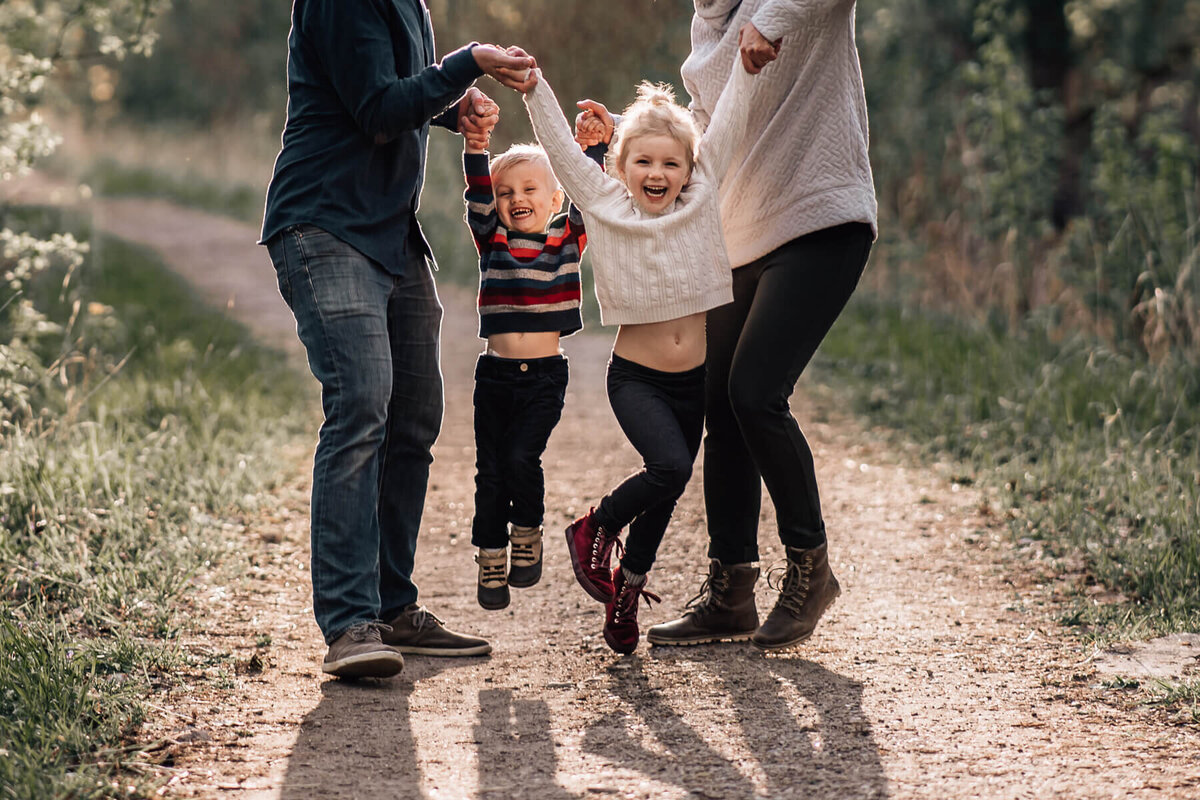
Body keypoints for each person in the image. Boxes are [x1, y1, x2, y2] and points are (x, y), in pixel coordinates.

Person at [259, 0, 536, 679]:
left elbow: (390, 86)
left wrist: (452, 105)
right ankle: (350, 622)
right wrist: (464, 63)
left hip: (389, 233)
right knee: (361, 404)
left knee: (413, 414)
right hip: (325, 222)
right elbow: (378, 110)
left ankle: (391, 606)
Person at [641, 0, 878, 651]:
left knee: (755, 391)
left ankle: (810, 568)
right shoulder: (707, 24)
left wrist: (770, 19)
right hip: (740, 234)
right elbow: (708, 130)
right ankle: (730, 591)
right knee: (721, 402)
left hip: (821, 217)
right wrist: (635, 144)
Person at [519, 61, 756, 654]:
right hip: (637, 379)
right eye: (643, 162)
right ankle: (594, 526)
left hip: (694, 381)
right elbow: (559, 148)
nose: (658, 173)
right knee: (671, 468)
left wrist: (751, 70)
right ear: (620, 168)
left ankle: (627, 589)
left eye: (671, 163)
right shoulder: (605, 202)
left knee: (668, 487)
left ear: (688, 170)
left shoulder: (700, 196)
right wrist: (535, 88)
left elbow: (724, 125)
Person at [461, 134, 599, 610]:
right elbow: (477, 196)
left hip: (544, 377)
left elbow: (591, 195)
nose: (516, 199)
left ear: (555, 199)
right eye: (506, 192)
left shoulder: (567, 240)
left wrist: (592, 151)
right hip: (495, 377)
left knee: (521, 457)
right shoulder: (491, 239)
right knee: (490, 473)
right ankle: (492, 552)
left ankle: (527, 530)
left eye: (529, 189)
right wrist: (475, 149)